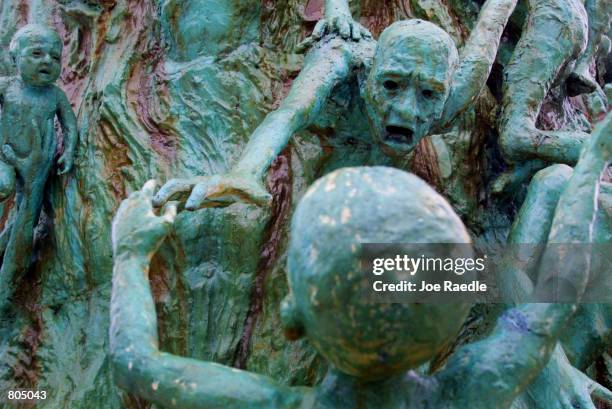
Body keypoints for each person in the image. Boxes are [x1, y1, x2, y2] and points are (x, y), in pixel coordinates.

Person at [109, 113, 611, 408]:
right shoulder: (471, 390)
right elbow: (551, 305)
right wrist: (592, 159)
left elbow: (137, 364)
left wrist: (130, 254)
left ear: (290, 315)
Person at [0, 24, 78, 310]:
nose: (47, 61)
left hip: (38, 166)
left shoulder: (54, 95)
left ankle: (7, 276)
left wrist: (68, 152)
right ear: (15, 58)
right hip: (4, 157)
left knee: (25, 218)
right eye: (37, 53)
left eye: (55, 57)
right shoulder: (7, 86)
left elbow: (69, 124)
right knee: (3, 185)